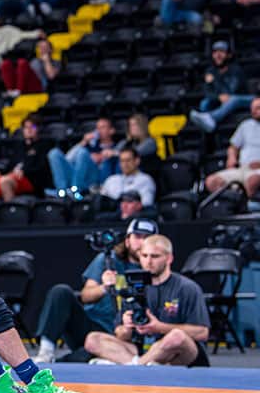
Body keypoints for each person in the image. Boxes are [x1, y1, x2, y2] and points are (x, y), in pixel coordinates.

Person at [33, 218, 156, 363]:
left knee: (77, 359)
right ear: (128, 240)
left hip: (127, 335)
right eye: (137, 236)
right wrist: (104, 287)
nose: (141, 242)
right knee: (61, 291)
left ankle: (88, 358)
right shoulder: (107, 259)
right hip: (93, 326)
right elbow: (85, 296)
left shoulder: (156, 267)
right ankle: (46, 351)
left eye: (147, 238)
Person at [85, 235, 210, 366]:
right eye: (144, 256)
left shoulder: (187, 288)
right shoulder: (133, 287)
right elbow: (120, 334)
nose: (148, 261)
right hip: (141, 350)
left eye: (155, 256)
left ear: (169, 258)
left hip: (176, 351)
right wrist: (127, 328)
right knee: (93, 339)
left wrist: (159, 328)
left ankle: (135, 366)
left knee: (177, 336)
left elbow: (202, 333)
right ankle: (140, 364)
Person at [0, 113, 53, 201]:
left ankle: (9, 212)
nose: (29, 130)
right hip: (11, 176)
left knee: (5, 181)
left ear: (38, 129)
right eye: (26, 127)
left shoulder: (45, 146)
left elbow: (42, 168)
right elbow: (10, 165)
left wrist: (24, 171)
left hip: (29, 179)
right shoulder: (19, 146)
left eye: (32, 127)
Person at [189, 41, 254, 133]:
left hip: (243, 99)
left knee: (233, 99)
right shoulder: (210, 71)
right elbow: (208, 93)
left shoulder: (236, 70)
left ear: (229, 55)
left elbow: (231, 92)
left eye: (222, 52)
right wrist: (218, 96)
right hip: (223, 100)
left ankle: (212, 118)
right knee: (205, 103)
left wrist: (215, 83)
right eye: (215, 52)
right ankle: (207, 131)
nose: (218, 55)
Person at [48, 116, 119, 198]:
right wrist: (83, 142)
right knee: (54, 153)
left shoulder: (116, 146)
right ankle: (61, 191)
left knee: (83, 153)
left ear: (111, 130)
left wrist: (107, 155)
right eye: (97, 128)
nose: (99, 131)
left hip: (95, 179)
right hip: (78, 175)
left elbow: (124, 155)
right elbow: (68, 158)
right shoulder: (90, 145)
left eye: (103, 127)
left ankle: (76, 190)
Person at [204, 97, 260, 197]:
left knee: (253, 181)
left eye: (258, 108)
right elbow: (233, 147)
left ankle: (250, 207)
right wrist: (231, 158)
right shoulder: (245, 125)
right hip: (242, 168)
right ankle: (233, 204)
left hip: (257, 172)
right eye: (253, 108)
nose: (254, 111)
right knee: (211, 181)